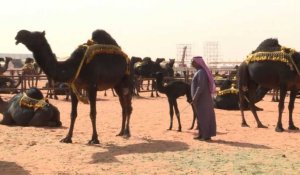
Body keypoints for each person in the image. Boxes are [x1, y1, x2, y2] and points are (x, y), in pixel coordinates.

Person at [190, 56, 217, 141]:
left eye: (192, 61)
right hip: (200, 99)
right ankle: (201, 134)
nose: (191, 63)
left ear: (197, 62)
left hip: (202, 99)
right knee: (200, 117)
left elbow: (200, 86)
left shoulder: (201, 72)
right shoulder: (199, 72)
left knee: (204, 117)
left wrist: (195, 97)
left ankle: (206, 136)